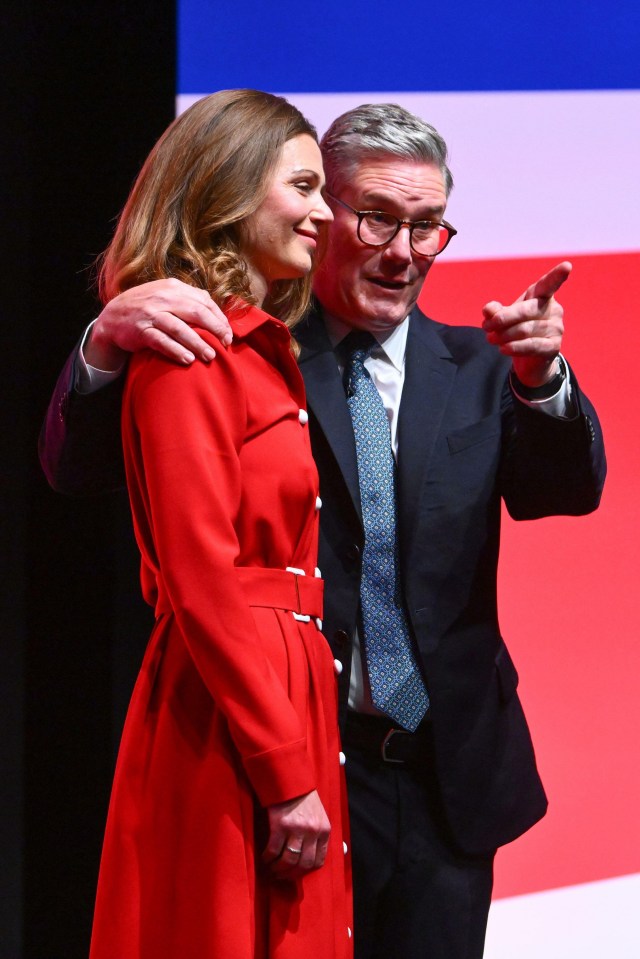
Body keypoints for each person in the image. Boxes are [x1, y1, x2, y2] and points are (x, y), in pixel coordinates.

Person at [40, 102, 606, 959]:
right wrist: (103, 344)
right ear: (320, 211)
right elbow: (79, 473)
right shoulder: (235, 347)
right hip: (300, 772)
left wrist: (542, 377)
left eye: (427, 226)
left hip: (448, 779)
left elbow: (565, 491)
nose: (404, 249)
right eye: (376, 217)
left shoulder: (482, 366)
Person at [52, 88, 353, 959]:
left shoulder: (259, 344)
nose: (323, 213)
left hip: (280, 681)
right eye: (303, 187)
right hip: (231, 701)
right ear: (229, 188)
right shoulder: (185, 347)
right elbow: (199, 575)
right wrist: (284, 767)